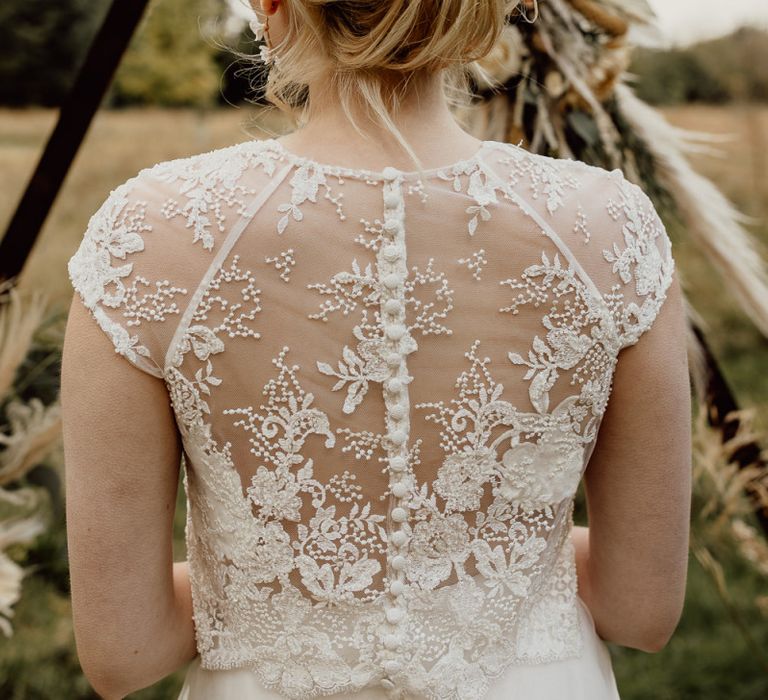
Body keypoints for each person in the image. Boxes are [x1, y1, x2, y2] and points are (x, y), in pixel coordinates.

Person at [60, 0, 692, 698]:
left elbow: (125, 649)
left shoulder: (149, 235)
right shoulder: (611, 230)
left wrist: (282, 585)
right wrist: (494, 557)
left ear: (270, 6)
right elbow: (642, 611)